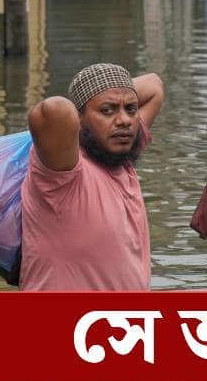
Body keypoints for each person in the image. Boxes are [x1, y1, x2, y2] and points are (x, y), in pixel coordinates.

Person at [19, 63, 165, 291]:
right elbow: (52, 110)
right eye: (107, 110)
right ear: (78, 121)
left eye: (131, 109)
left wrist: (111, 89)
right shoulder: (64, 172)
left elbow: (155, 84)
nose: (124, 120)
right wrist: (96, 91)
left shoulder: (122, 156)